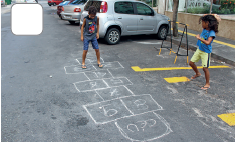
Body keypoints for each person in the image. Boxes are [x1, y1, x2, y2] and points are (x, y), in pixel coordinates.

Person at [189, 14, 220, 90]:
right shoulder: (204, 29)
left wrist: (199, 38)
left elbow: (208, 42)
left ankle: (207, 84)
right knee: (191, 63)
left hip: (206, 52)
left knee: (205, 68)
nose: (202, 24)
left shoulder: (212, 32)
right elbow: (204, 15)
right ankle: (197, 73)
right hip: (199, 49)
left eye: (203, 23)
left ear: (208, 23)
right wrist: (213, 15)